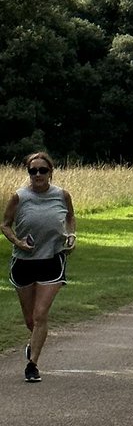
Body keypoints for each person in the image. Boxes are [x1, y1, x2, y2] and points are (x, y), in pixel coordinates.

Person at [1, 151, 76, 383]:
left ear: (50, 172)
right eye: (32, 171)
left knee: (40, 314)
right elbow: (5, 225)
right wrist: (18, 242)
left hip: (52, 260)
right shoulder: (19, 197)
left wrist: (71, 235)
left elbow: (70, 218)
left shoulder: (62, 195)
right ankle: (33, 343)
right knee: (31, 321)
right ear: (28, 173)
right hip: (24, 263)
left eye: (42, 170)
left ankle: (32, 364)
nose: (37, 174)